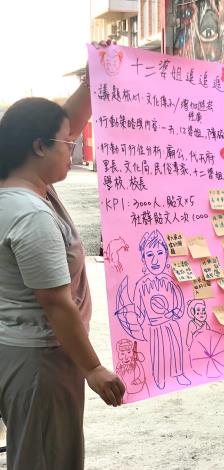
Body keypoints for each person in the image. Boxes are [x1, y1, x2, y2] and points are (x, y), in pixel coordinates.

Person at [0, 50, 125, 470]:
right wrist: (93, 368)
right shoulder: (31, 214)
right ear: (39, 146)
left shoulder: (19, 190)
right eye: (67, 145)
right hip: (42, 362)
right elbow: (57, 304)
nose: (72, 151)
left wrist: (93, 80)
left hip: (18, 349)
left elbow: (64, 120)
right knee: (46, 458)